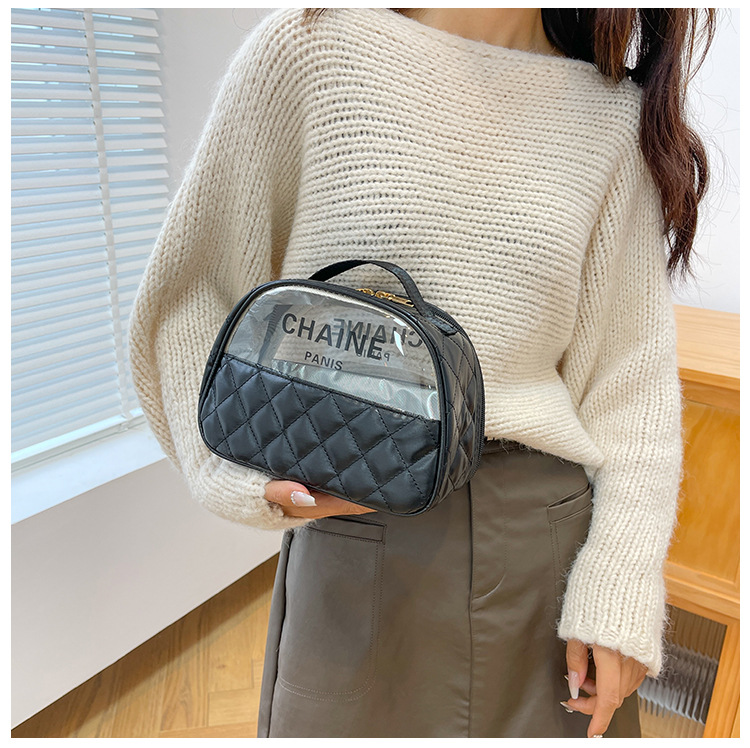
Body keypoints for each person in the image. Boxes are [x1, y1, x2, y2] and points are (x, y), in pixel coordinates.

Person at [128, 7, 717, 738]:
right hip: (359, 531)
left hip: (546, 557)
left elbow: (631, 388)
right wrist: (232, 472)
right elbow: (191, 299)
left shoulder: (610, 116)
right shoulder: (310, 50)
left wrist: (621, 582)